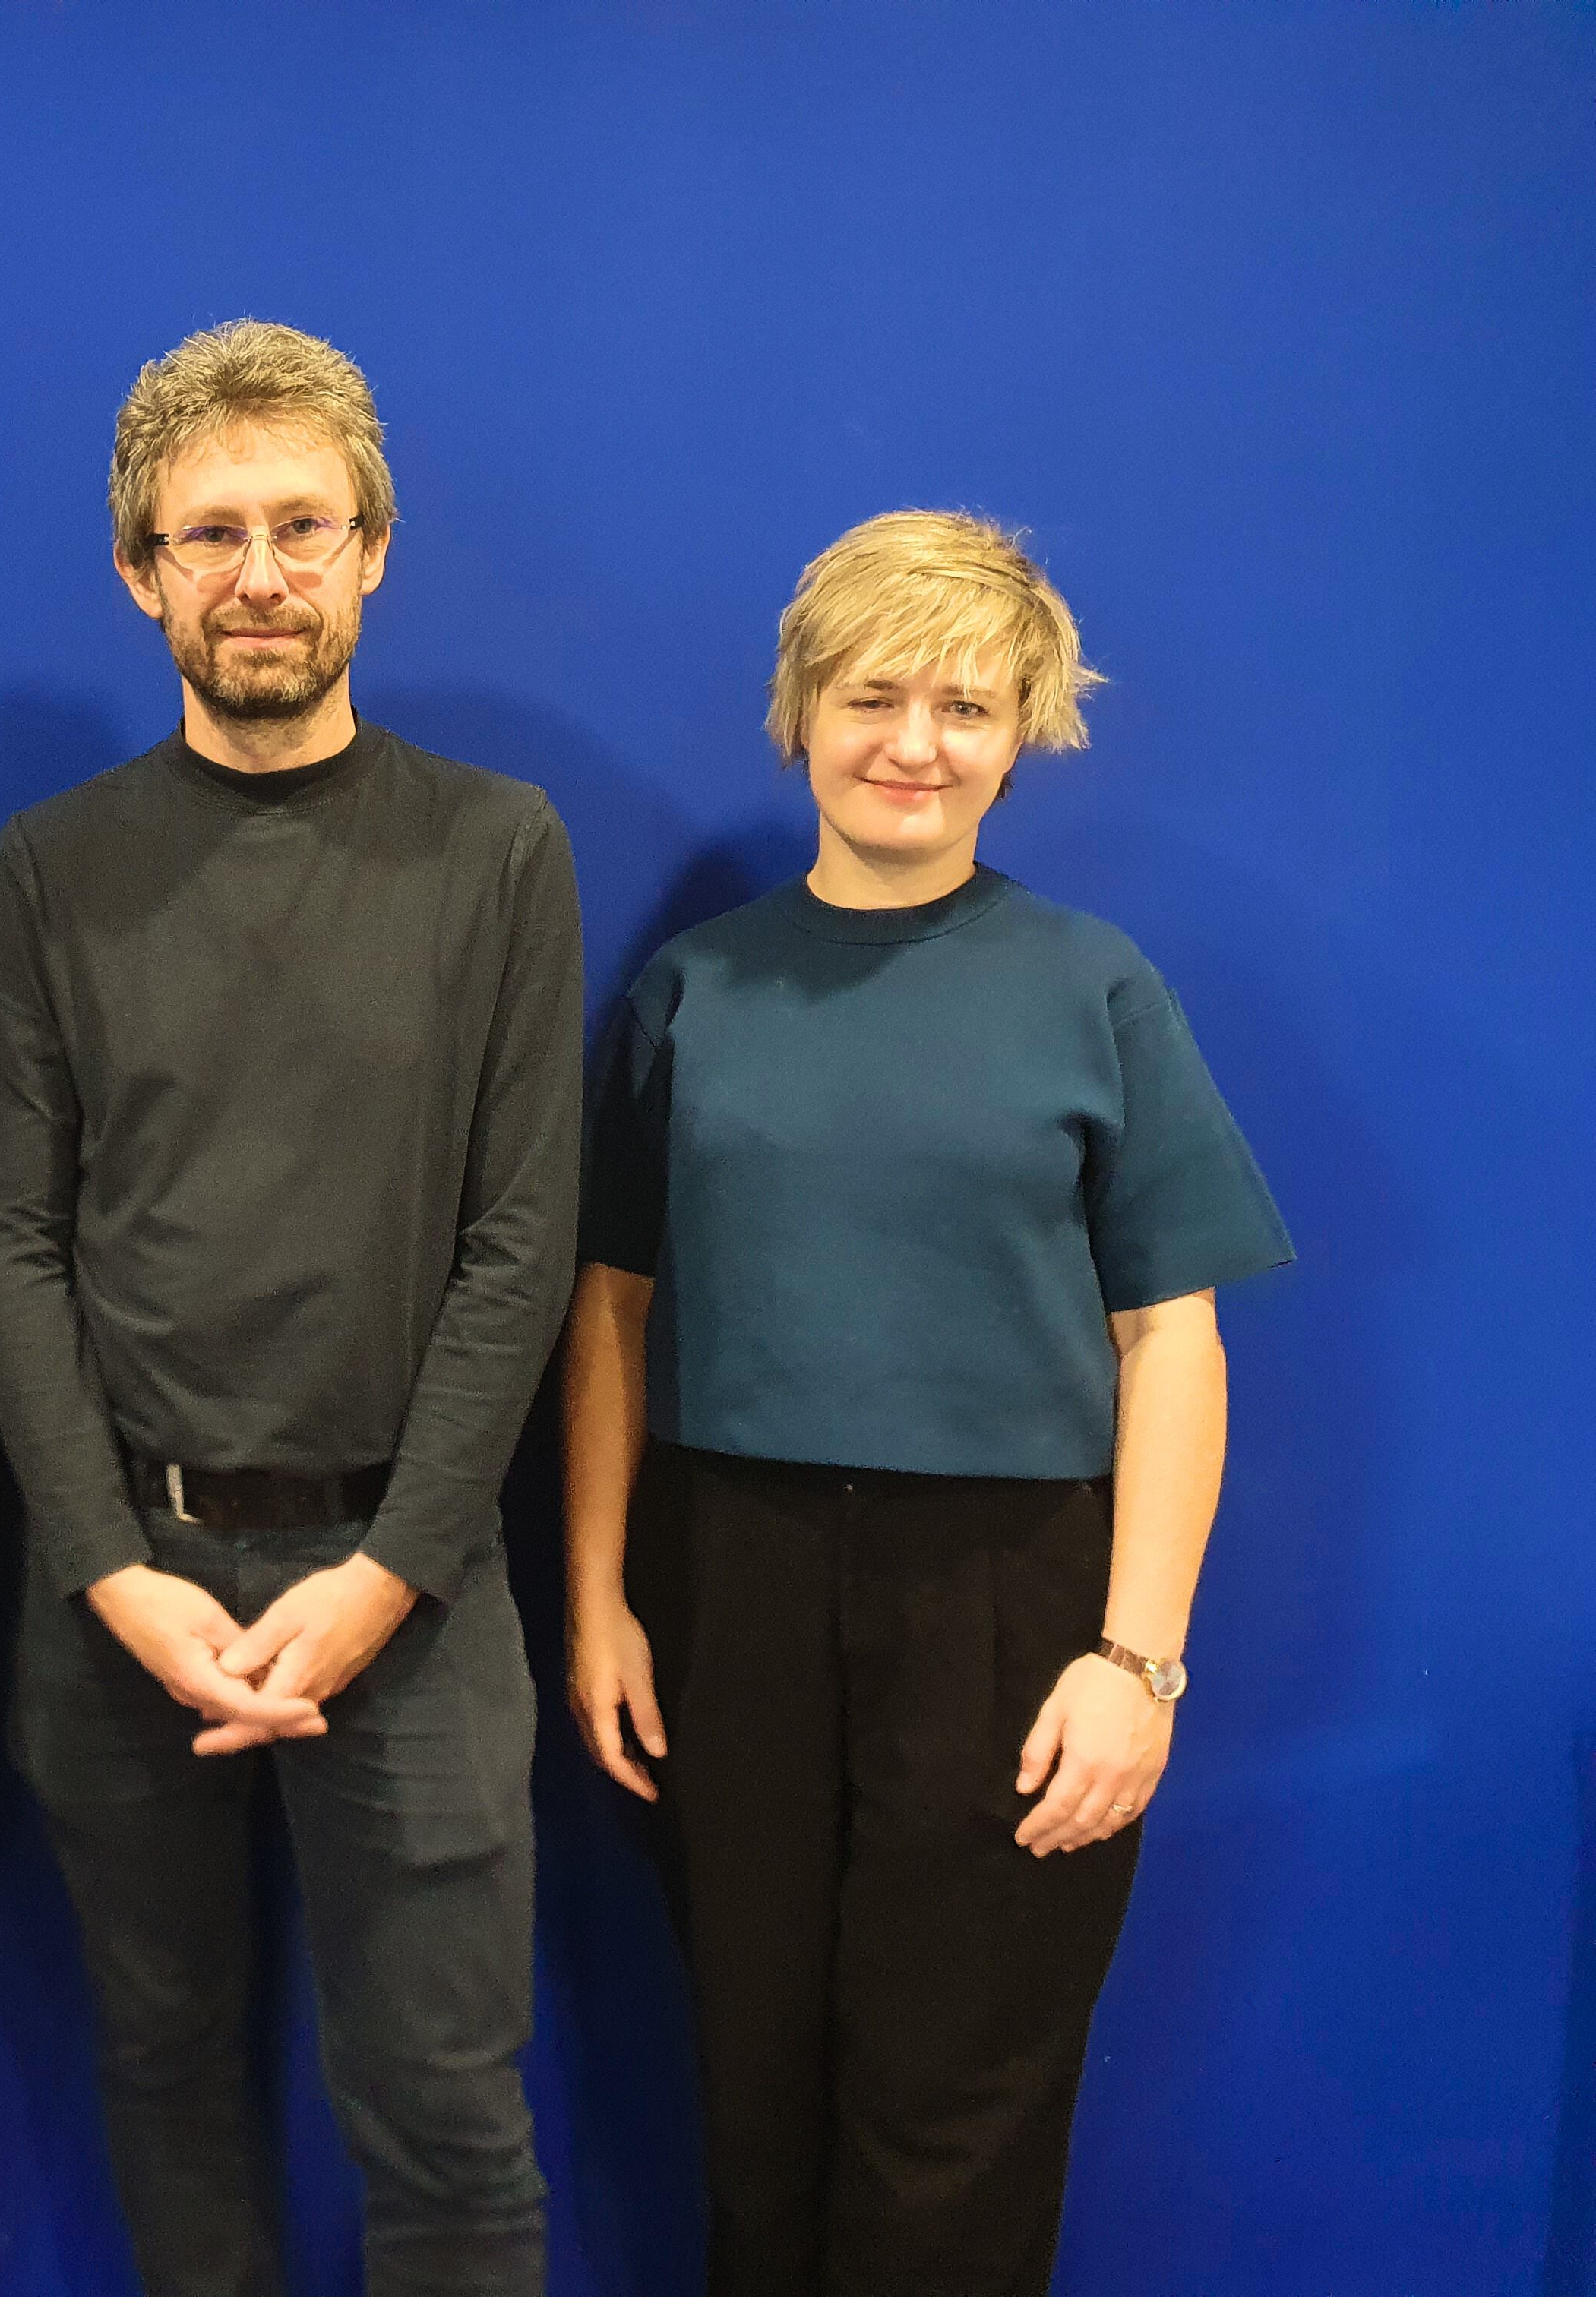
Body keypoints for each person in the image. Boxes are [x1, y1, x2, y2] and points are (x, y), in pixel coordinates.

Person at [562, 510, 1294, 2296]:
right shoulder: (693, 991)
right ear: (799, 713)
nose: (915, 743)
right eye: (872, 697)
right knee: (754, 2099)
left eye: (966, 707)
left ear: (1021, 733)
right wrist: (595, 1600)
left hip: (1010, 1600)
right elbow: (611, 1312)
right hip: (729, 1586)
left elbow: (1173, 1341)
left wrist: (1137, 1661)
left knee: (955, 2126)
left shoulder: (1092, 987)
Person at [0, 319, 585, 2297]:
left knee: (450, 2120)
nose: (258, 575)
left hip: (414, 1583)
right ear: (140, 573)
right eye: (208, 534)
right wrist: (108, 1567)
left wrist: (389, 1573)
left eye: (302, 526)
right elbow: (3, 1238)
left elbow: (520, 1239)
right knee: (166, 2080)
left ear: (373, 549)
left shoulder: (498, 850)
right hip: (123, 1591)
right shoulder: (52, 870)